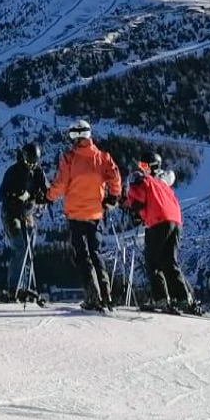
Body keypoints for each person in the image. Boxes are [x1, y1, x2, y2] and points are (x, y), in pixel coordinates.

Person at [47, 119, 122, 310]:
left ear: (74, 136)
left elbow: (61, 184)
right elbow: (115, 176)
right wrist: (112, 197)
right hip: (96, 214)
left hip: (76, 214)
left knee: (82, 255)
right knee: (96, 253)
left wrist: (48, 197)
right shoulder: (103, 157)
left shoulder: (69, 158)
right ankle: (107, 296)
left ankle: (92, 295)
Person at [124, 153, 198, 311]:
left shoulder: (143, 181)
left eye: (143, 166)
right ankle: (183, 297)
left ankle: (161, 299)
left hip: (158, 221)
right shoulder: (162, 183)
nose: (141, 168)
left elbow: (138, 199)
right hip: (175, 221)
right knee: (169, 260)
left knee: (152, 261)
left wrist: (131, 208)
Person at [0, 142, 49, 296]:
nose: (32, 166)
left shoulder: (38, 172)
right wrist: (16, 197)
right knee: (20, 246)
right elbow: (1, 196)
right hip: (11, 213)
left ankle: (25, 286)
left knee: (29, 249)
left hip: (27, 213)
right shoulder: (13, 172)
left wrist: (41, 198)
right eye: (29, 162)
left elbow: (47, 192)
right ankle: (14, 287)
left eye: (35, 162)